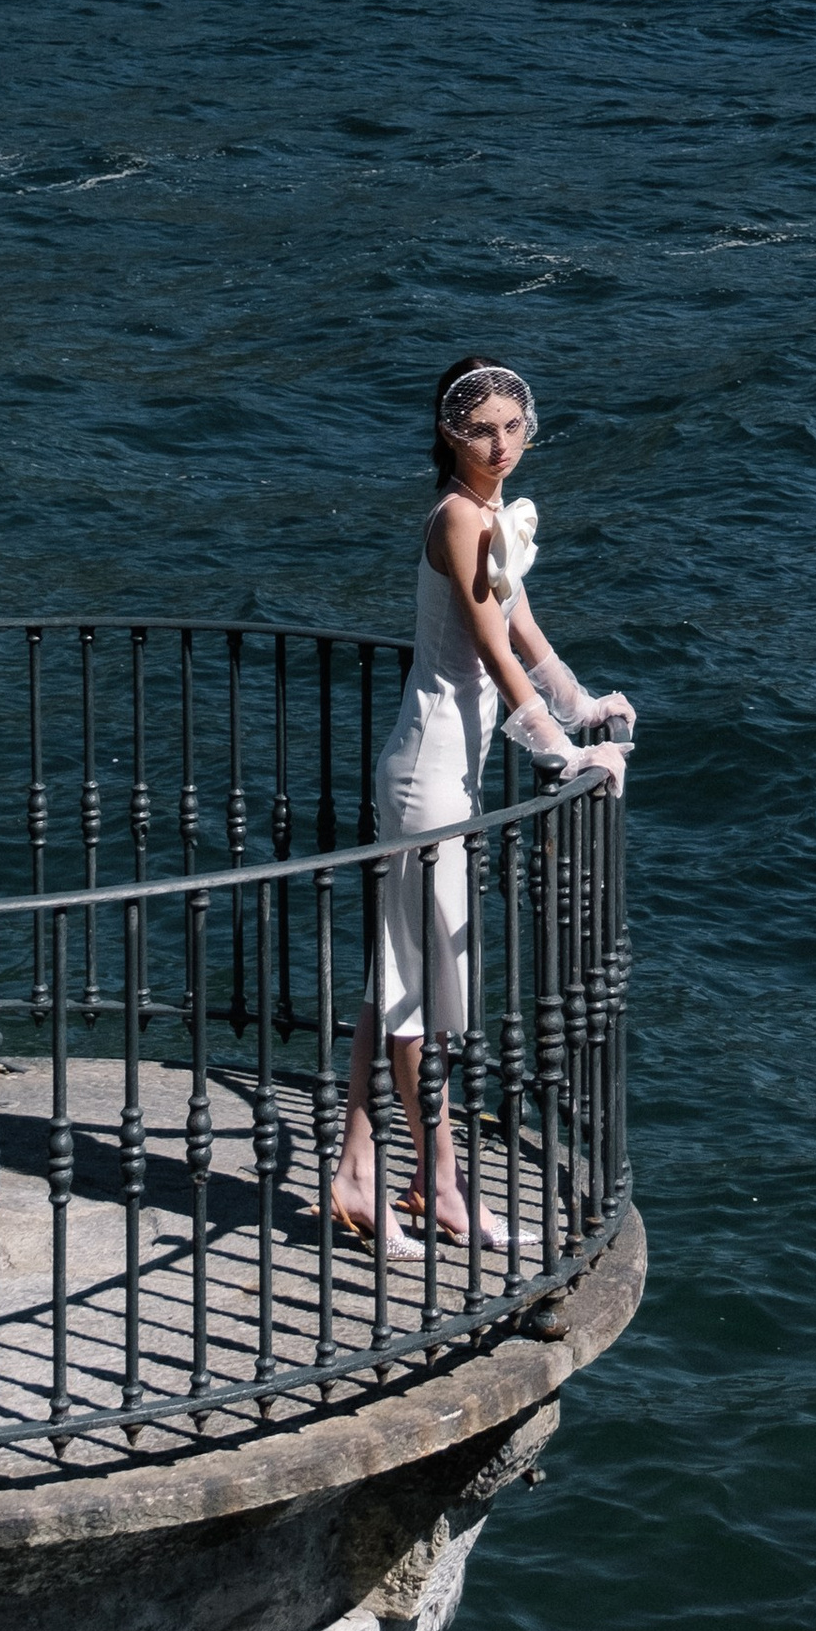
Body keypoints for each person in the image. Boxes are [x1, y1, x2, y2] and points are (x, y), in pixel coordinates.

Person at [328, 358, 634, 1256]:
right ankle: (433, 1181)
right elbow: (493, 651)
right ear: (448, 434)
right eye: (480, 429)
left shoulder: (490, 515)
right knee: (425, 996)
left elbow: (526, 628)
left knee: (404, 983)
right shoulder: (460, 517)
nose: (500, 445)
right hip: (425, 775)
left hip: (444, 774)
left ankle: (380, 1175)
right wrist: (558, 746)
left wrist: (585, 705)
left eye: (512, 426)